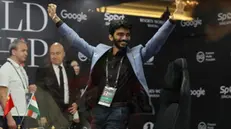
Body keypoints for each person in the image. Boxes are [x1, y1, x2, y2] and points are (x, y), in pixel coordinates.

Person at [47, 0, 185, 128]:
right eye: (120, 34)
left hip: (120, 110)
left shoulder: (136, 55)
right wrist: (56, 20)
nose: (124, 38)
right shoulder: (98, 52)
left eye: (127, 35)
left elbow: (156, 42)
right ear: (111, 37)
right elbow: (76, 41)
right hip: (98, 109)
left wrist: (172, 20)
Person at [35, 43, 79, 128]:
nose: (54, 56)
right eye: (52, 53)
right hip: (50, 116)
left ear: (64, 54)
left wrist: (76, 104)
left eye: (57, 53)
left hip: (68, 115)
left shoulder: (70, 71)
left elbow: (75, 90)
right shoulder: (42, 71)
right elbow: (39, 96)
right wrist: (42, 116)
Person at [0, 39, 37, 129]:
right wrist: (9, 118)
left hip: (22, 115)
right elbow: (2, 95)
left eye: (26, 51)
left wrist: (30, 91)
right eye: (23, 50)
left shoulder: (21, 69)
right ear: (14, 52)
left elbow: (21, 92)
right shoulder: (6, 69)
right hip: (11, 116)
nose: (26, 53)